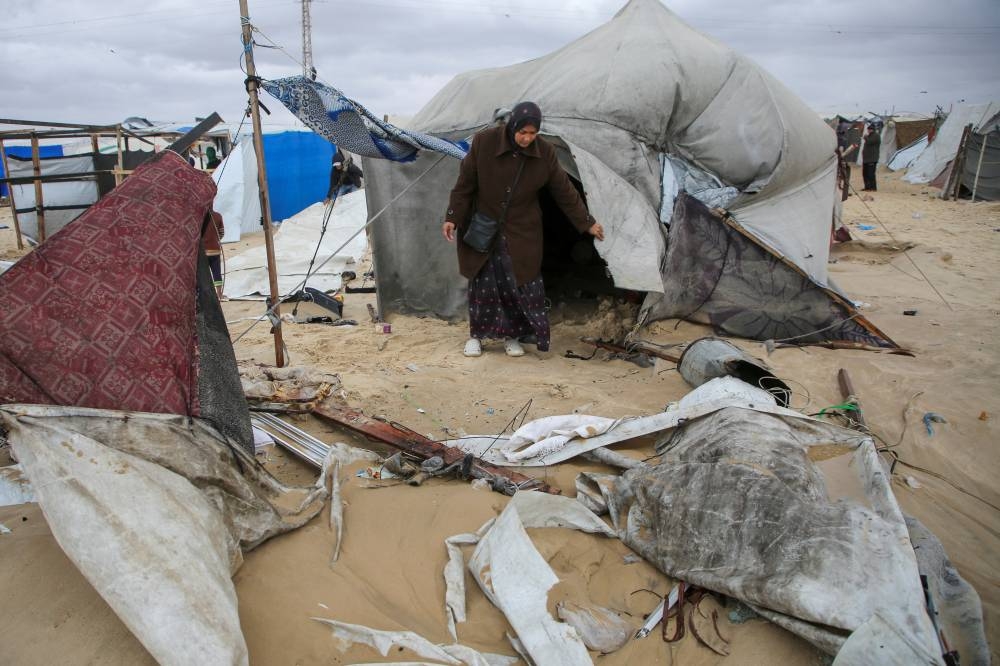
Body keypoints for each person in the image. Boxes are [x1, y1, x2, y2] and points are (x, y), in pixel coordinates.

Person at [441, 101, 605, 358]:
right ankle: (477, 336)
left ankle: (512, 337)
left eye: (533, 133)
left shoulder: (545, 153)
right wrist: (453, 216)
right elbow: (465, 184)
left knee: (516, 285)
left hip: (522, 231)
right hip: (485, 226)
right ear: (512, 126)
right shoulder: (484, 143)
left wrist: (587, 223)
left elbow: (564, 191)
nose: (528, 138)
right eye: (523, 132)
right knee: (484, 284)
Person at [203, 209, 225, 300]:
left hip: (203, 251)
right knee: (217, 273)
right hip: (215, 249)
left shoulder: (200, 217)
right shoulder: (218, 216)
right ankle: (219, 295)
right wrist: (215, 240)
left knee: (204, 275)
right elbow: (221, 233)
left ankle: (206, 297)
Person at [861, 123, 881, 191]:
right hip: (866, 159)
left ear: (873, 129)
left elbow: (870, 142)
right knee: (865, 173)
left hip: (872, 158)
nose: (869, 130)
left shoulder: (876, 136)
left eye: (870, 129)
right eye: (868, 129)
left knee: (871, 174)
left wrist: (865, 137)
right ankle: (867, 187)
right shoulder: (869, 136)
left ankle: (873, 187)